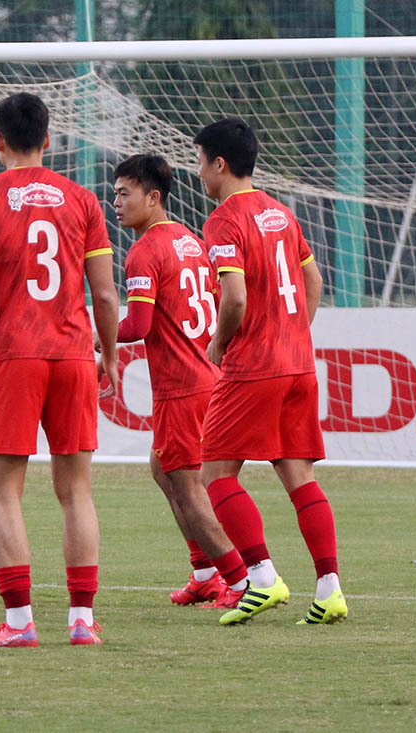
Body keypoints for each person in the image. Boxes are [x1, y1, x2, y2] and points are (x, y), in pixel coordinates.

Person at [0, 92, 120, 646]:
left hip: (12, 354)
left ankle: (20, 622)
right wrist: (110, 354)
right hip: (72, 355)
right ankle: (82, 621)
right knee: (76, 491)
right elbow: (107, 296)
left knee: (2, 492)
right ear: (48, 140)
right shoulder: (84, 201)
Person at [194, 118, 348, 625]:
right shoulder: (281, 213)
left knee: (214, 473)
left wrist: (218, 344)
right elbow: (314, 279)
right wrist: (294, 333)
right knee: (298, 475)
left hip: (254, 366)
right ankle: (330, 589)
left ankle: (261, 577)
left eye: (200, 162)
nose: (198, 173)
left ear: (220, 164)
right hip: (298, 364)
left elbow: (234, 296)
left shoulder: (223, 220)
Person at [104, 153, 249, 609]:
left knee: (190, 487)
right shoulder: (189, 240)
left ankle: (241, 580)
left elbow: (138, 325)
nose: (116, 202)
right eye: (114, 193)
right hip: (207, 379)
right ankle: (205, 572)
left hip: (183, 388)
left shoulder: (144, 250)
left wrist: (88, 335)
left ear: (153, 197)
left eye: (125, 194)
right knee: (161, 468)